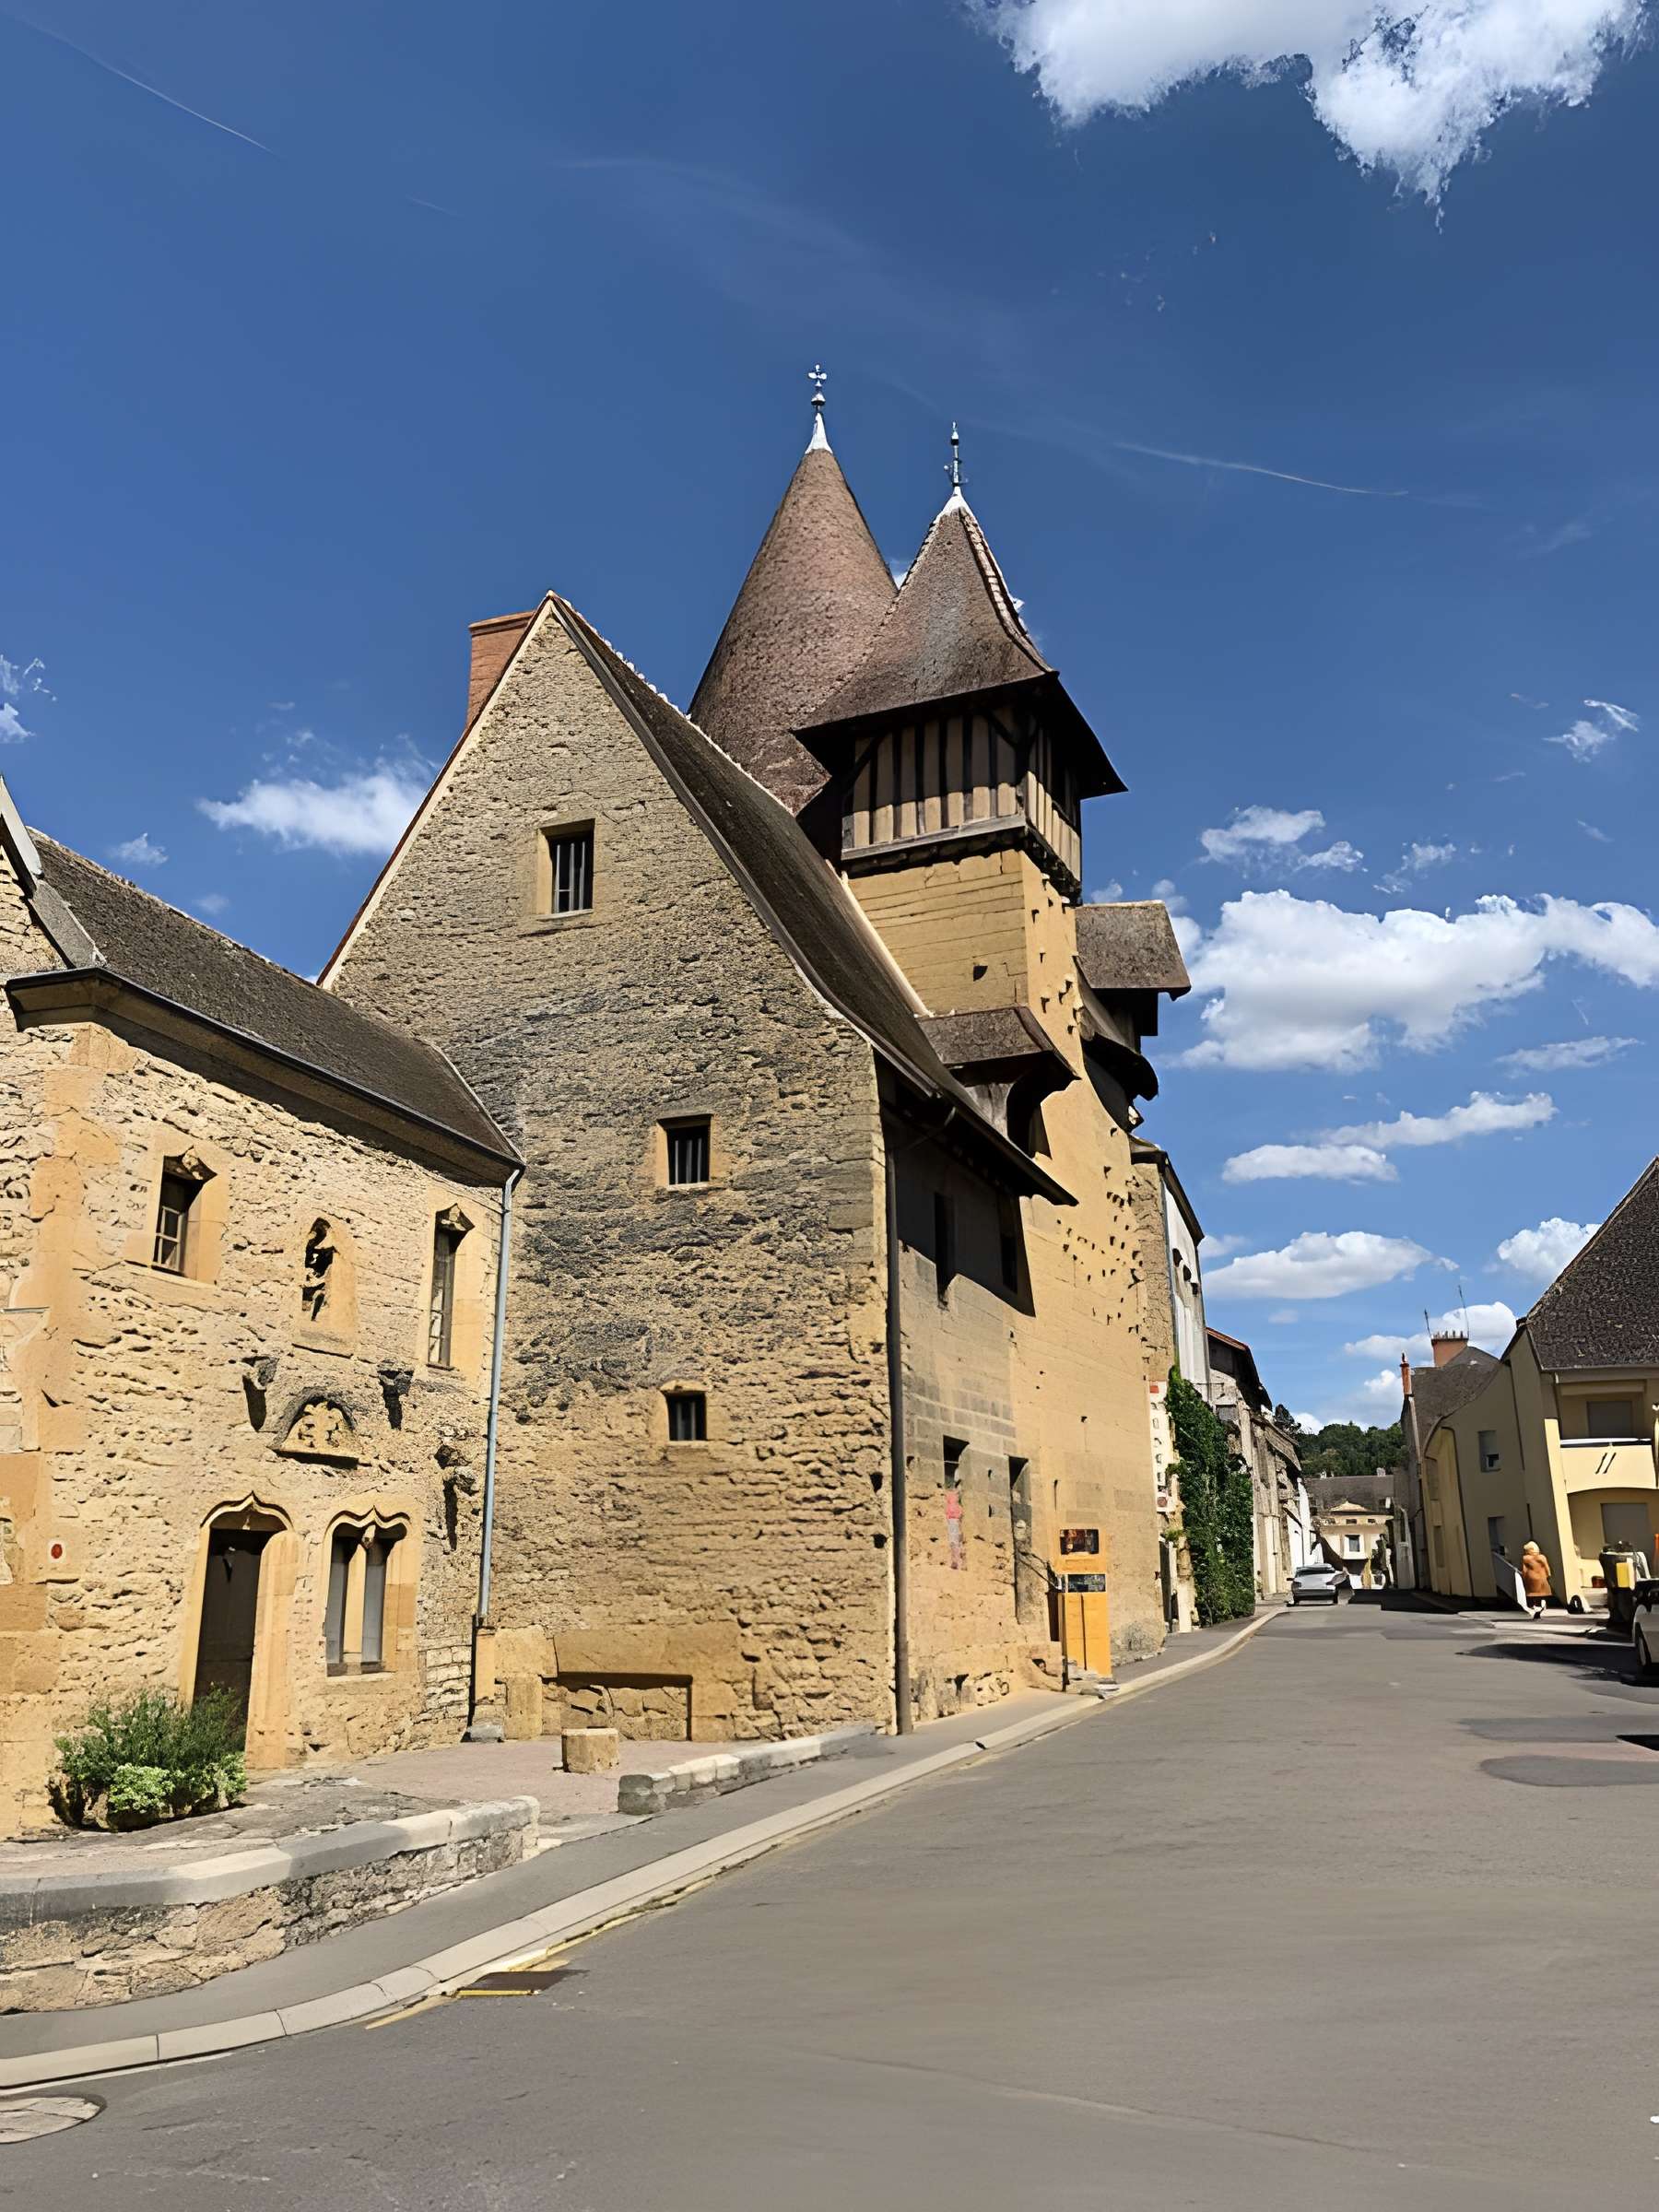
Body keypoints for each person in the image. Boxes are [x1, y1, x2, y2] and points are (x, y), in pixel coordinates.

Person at [1520, 1540, 1552, 1620]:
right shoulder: (1542, 1557)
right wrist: (1548, 1575)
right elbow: (1547, 1568)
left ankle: (1536, 1609)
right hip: (1542, 1578)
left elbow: (1524, 1570)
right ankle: (1540, 1607)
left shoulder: (1525, 1558)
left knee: (1533, 1595)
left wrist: (1524, 1578)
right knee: (1542, 1594)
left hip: (1531, 1578)